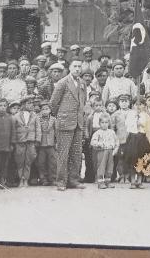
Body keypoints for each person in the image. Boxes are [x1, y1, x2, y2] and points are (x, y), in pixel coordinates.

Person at [50, 59, 87, 190]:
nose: (77, 69)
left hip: (78, 123)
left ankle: (74, 180)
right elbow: (53, 103)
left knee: (76, 153)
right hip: (65, 122)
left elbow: (83, 101)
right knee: (63, 153)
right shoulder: (62, 82)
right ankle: (61, 181)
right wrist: (61, 116)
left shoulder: (82, 83)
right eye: (75, 66)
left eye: (79, 66)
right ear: (70, 68)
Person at [13, 95, 39, 186]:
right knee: (20, 160)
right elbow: (14, 129)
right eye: (28, 103)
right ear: (23, 104)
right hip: (20, 141)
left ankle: (26, 179)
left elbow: (38, 128)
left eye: (32, 103)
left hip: (31, 141)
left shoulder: (35, 115)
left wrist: (37, 140)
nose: (31, 105)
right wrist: (14, 141)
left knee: (29, 160)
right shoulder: (16, 116)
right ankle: (21, 179)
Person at [89, 113, 119, 189]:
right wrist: (100, 144)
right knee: (101, 166)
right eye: (102, 122)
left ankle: (107, 181)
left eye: (106, 122)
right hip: (102, 152)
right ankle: (100, 182)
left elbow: (116, 142)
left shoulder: (112, 132)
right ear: (99, 123)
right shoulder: (97, 133)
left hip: (110, 151)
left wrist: (115, 149)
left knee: (110, 167)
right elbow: (92, 142)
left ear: (109, 123)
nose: (104, 124)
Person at [36, 100, 57, 186]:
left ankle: (53, 178)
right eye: (43, 109)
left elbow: (56, 132)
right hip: (41, 144)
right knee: (41, 162)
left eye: (47, 109)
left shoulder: (53, 119)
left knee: (53, 162)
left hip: (51, 144)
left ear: (50, 110)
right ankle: (43, 179)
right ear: (40, 110)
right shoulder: (37, 119)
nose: (45, 111)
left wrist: (56, 142)